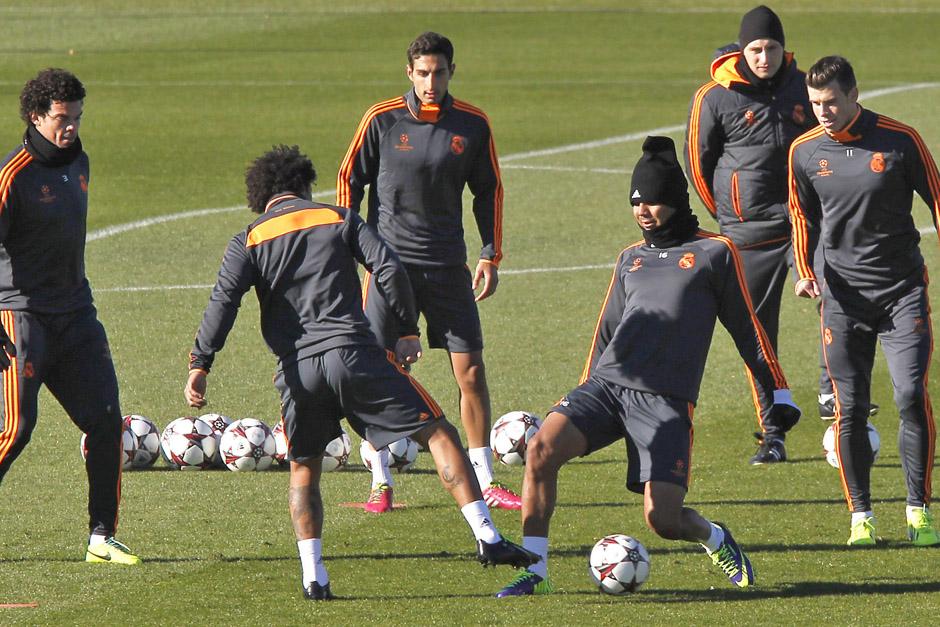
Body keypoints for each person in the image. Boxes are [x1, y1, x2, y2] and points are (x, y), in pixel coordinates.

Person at [185, 145, 537, 600]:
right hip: (356, 355)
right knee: (438, 433)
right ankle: (487, 536)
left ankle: (314, 578)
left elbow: (223, 302)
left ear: (260, 196)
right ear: (304, 184)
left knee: (304, 470)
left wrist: (201, 363)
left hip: (298, 371)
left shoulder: (248, 240)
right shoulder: (339, 218)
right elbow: (388, 266)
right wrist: (407, 329)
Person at [495, 137, 800, 597]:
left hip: (665, 402)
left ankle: (715, 538)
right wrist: (582, 395)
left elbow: (748, 330)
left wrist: (778, 391)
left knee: (664, 520)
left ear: (675, 200)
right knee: (540, 449)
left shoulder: (715, 253)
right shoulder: (630, 258)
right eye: (636, 202)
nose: (643, 211)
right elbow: (606, 331)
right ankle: (535, 571)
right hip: (607, 388)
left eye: (653, 201)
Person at [335, 31, 518, 512]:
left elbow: (489, 191)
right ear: (409, 73)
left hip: (447, 267)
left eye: (438, 72)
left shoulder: (472, 124)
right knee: (378, 370)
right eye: (422, 73)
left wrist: (490, 253)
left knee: (470, 370)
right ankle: (380, 482)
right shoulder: (382, 119)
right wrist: (349, 245)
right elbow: (349, 179)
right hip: (388, 268)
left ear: (452, 71)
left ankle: (484, 480)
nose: (430, 82)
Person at [789, 56, 940, 547]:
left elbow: (938, 199)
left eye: (831, 102)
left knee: (909, 394)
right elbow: (801, 216)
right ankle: (862, 517)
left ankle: (918, 510)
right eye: (815, 103)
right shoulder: (804, 151)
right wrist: (805, 272)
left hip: (901, 293)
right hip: (842, 299)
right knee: (849, 408)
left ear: (854, 95)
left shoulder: (900, 140)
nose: (823, 112)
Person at [0, 68, 140, 565]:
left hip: (77, 316)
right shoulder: (11, 176)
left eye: (77, 116)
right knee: (16, 430)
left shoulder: (80, 162)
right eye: (62, 118)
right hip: (22, 317)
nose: (72, 126)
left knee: (106, 422)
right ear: (36, 116)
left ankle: (101, 537)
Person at [685, 5, 813, 464]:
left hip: (805, 225)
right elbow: (698, 164)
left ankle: (837, 403)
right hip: (748, 232)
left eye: (771, 48)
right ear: (742, 50)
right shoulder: (714, 97)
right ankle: (773, 433)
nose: (764, 57)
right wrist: (729, 213)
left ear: (783, 48)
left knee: (839, 307)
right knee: (757, 335)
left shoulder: (804, 87)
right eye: (755, 49)